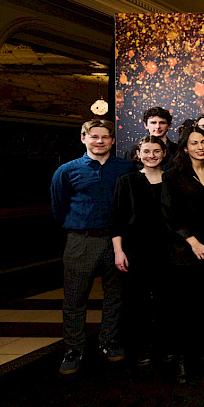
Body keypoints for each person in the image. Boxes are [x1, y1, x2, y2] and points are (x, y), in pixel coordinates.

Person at [51, 119, 134, 374]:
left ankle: (109, 341)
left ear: (112, 140)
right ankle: (73, 348)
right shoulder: (67, 171)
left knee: (115, 296)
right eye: (94, 136)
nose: (99, 141)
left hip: (117, 241)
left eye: (105, 137)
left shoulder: (126, 168)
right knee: (75, 298)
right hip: (81, 239)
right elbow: (59, 207)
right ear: (83, 138)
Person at [161, 126, 204, 382]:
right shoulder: (172, 175)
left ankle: (203, 355)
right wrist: (193, 242)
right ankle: (183, 361)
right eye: (194, 143)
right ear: (184, 147)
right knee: (184, 307)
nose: (200, 147)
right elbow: (169, 215)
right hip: (185, 248)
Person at [110, 136, 170, 367]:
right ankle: (143, 348)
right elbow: (117, 218)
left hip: (168, 249)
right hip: (136, 249)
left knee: (166, 300)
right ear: (138, 154)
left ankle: (165, 346)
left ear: (164, 153)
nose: (151, 155)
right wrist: (118, 251)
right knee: (138, 301)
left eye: (156, 151)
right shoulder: (127, 181)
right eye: (146, 151)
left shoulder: (173, 180)